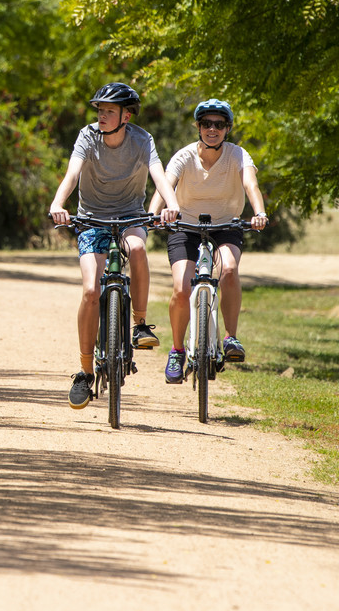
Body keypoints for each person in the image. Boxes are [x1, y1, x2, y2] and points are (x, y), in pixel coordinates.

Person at [47, 82, 181, 410]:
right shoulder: (88, 136)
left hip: (131, 215)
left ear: (126, 115)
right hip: (91, 219)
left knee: (136, 249)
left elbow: (158, 175)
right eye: (99, 110)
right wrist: (57, 202)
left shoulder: (141, 139)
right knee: (91, 292)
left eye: (109, 111)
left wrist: (172, 202)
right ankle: (84, 371)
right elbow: (72, 173)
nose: (102, 116)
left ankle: (139, 324)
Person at [155, 98, 269, 383]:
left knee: (229, 269)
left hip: (226, 226)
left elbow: (251, 184)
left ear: (227, 129)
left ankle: (230, 338)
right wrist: (152, 214)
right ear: (198, 127)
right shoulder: (184, 156)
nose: (212, 129)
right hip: (186, 227)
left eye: (219, 124)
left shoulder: (238, 155)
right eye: (206, 124)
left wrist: (260, 212)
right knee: (182, 288)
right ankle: (178, 350)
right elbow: (165, 185)